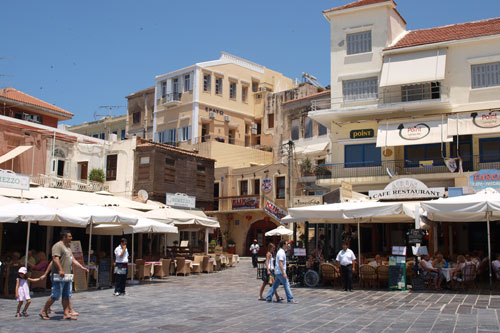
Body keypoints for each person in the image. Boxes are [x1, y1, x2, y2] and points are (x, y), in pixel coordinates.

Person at [40, 230, 88, 320]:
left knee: (66, 295)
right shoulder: (58, 246)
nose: (71, 238)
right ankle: (44, 310)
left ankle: (66, 313)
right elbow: (55, 259)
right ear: (64, 237)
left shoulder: (68, 248)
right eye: (69, 236)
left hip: (68, 275)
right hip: (59, 275)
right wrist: (60, 270)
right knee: (55, 295)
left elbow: (73, 260)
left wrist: (82, 267)